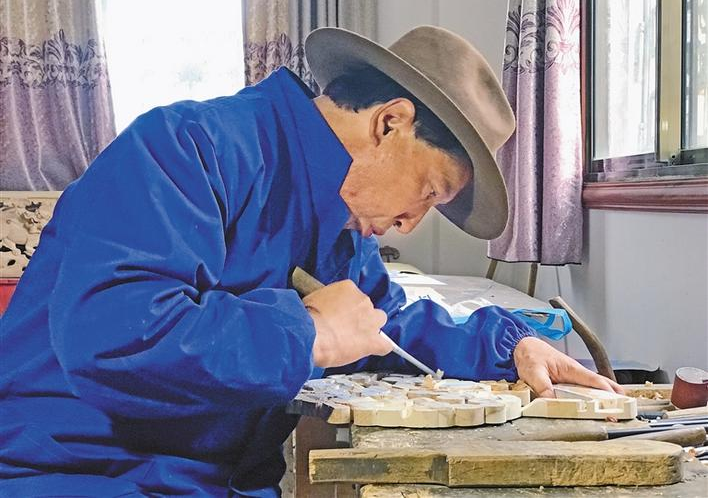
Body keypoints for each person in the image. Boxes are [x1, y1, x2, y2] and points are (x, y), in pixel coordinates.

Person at [0, 26, 622, 498]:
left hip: (218, 481)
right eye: (429, 192)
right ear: (390, 123)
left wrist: (508, 347)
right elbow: (113, 335)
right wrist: (311, 331)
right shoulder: (188, 146)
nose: (411, 222)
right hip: (74, 472)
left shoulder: (341, 224)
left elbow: (381, 327)